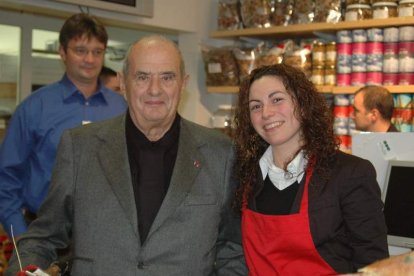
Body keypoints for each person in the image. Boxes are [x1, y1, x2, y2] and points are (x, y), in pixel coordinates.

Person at [5, 35, 246, 275]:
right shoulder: (80, 147)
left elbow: (233, 250)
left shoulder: (220, 153)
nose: (155, 90)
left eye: (167, 77)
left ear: (183, 83)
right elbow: (43, 238)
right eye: (142, 77)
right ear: (122, 83)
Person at [233, 64, 389, 275]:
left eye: (277, 99)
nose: (266, 113)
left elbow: (375, 267)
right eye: (255, 106)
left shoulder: (350, 174)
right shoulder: (244, 175)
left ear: (303, 105)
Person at [0, 13, 127, 238]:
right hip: (43, 233)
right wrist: (21, 237)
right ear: (62, 52)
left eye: (97, 52)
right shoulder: (34, 108)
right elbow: (6, 178)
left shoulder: (121, 108)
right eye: (80, 50)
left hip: (107, 236)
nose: (90, 59)